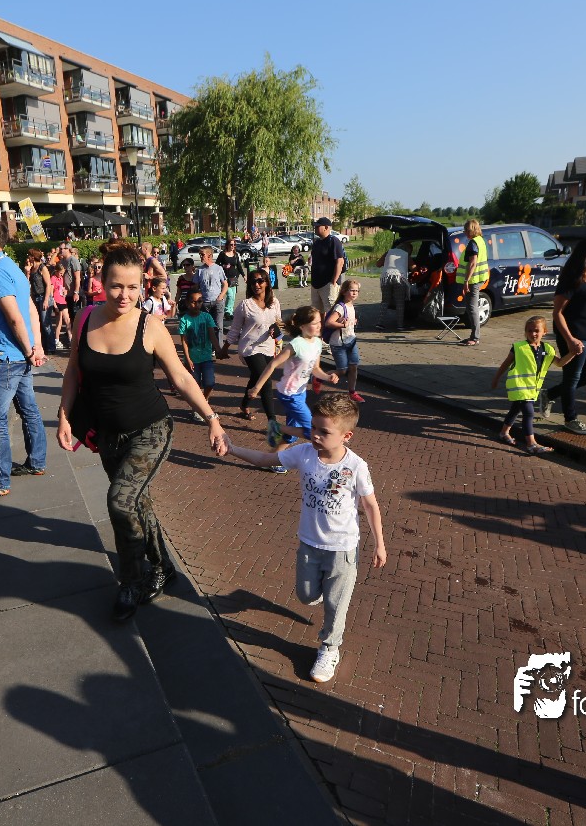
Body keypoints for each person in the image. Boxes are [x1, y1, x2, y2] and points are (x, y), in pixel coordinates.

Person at [56, 241, 227, 621]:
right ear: (102, 282)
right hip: (107, 434)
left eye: (133, 287)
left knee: (120, 501)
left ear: (143, 285)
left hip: (150, 430)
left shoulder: (151, 326)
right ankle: (165, 566)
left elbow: (181, 377)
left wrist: (212, 419)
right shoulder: (85, 319)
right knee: (137, 503)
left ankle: (131, 582)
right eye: (116, 286)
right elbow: (72, 373)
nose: (124, 294)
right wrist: (64, 415)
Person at [224, 393, 386, 683]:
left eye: (324, 432)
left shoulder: (356, 466)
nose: (315, 436)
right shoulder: (303, 453)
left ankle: (329, 647)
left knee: (336, 606)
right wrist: (232, 449)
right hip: (310, 543)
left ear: (346, 436)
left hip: (342, 549)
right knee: (306, 595)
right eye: (313, 428)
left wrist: (379, 544)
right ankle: (322, 593)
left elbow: (370, 505)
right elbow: (265, 458)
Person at [0, 218, 47, 498]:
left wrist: (30, 349)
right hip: (19, 355)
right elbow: (30, 310)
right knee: (29, 409)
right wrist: (35, 347)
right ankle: (36, 462)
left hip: (5, 356)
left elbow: (15, 317)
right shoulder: (12, 267)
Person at [537, 237, 586, 435]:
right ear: (585, 254)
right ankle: (571, 419)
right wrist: (570, 340)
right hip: (574, 335)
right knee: (572, 378)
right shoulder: (572, 277)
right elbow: (557, 312)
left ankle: (549, 394)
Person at [249, 306, 339, 451]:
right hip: (289, 394)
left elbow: (315, 369)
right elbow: (272, 364)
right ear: (302, 326)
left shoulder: (317, 343)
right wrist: (256, 388)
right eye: (314, 323)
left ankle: (271, 459)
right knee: (312, 430)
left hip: (301, 392)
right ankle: (276, 427)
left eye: (319, 322)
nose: (319, 326)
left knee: (292, 435)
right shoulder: (296, 345)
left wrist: (328, 377)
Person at [490, 315, 574, 454]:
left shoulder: (548, 349)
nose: (533, 333)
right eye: (529, 331)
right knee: (529, 413)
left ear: (544, 332)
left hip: (532, 389)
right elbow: (506, 363)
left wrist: (572, 353)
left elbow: (559, 363)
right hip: (519, 386)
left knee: (515, 410)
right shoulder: (519, 347)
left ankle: (503, 433)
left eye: (536, 330)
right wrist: (496, 378)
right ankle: (531, 444)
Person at [220, 267, 283, 431]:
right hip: (249, 348)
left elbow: (279, 323)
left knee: (256, 378)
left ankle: (244, 404)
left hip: (268, 347)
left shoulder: (274, 303)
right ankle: (273, 423)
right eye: (253, 282)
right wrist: (225, 348)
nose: (257, 285)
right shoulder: (245, 305)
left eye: (260, 281)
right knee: (265, 381)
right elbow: (235, 329)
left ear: (267, 283)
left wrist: (276, 331)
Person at [177, 290, 219, 418]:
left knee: (210, 382)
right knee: (195, 386)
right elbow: (184, 341)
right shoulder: (184, 319)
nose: (197, 305)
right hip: (192, 359)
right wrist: (187, 358)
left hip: (206, 357)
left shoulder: (207, 317)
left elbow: (212, 335)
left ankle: (204, 401)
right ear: (187, 303)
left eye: (199, 301)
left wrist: (219, 350)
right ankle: (196, 408)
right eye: (193, 302)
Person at [325, 279, 365, 403]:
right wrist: (343, 325)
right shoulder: (340, 307)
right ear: (343, 291)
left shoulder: (351, 305)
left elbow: (348, 322)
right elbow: (328, 323)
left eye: (357, 291)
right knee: (342, 370)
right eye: (352, 290)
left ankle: (352, 392)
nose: (355, 293)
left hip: (351, 341)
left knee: (353, 367)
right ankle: (319, 377)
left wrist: (352, 322)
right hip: (339, 344)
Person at [457, 219, 489, 346]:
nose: (465, 232)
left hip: (473, 279)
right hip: (480, 277)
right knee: (472, 307)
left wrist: (466, 281)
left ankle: (475, 337)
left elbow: (472, 263)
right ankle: (474, 336)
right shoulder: (480, 240)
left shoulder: (473, 243)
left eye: (466, 230)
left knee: (472, 308)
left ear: (471, 230)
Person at [309, 217, 346, 317]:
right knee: (316, 312)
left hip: (328, 283)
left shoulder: (333, 241)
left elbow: (340, 261)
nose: (315, 228)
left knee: (331, 310)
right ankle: (321, 327)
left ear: (326, 227)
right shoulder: (317, 242)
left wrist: (334, 281)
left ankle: (331, 327)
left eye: (318, 226)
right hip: (315, 283)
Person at [375, 243, 411, 332]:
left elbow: (378, 264)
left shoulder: (389, 252)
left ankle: (380, 323)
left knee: (385, 301)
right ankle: (400, 326)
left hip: (386, 277)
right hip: (400, 278)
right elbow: (414, 268)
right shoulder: (406, 254)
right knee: (400, 302)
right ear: (408, 250)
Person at [196, 245, 228, 333]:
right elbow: (195, 287)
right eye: (200, 255)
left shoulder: (218, 268)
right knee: (206, 328)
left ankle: (219, 342)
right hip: (205, 303)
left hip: (217, 302)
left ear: (209, 255)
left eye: (202, 254)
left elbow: (225, 284)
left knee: (218, 327)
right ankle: (208, 342)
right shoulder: (199, 270)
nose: (201, 257)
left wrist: (221, 296)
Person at [217, 239, 243, 316]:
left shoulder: (235, 254)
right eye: (231, 244)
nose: (233, 246)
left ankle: (230, 312)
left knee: (233, 296)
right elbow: (217, 264)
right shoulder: (222, 254)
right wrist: (223, 266)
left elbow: (239, 266)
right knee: (230, 295)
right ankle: (227, 311)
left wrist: (244, 275)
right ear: (227, 245)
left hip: (233, 278)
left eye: (234, 245)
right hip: (225, 278)